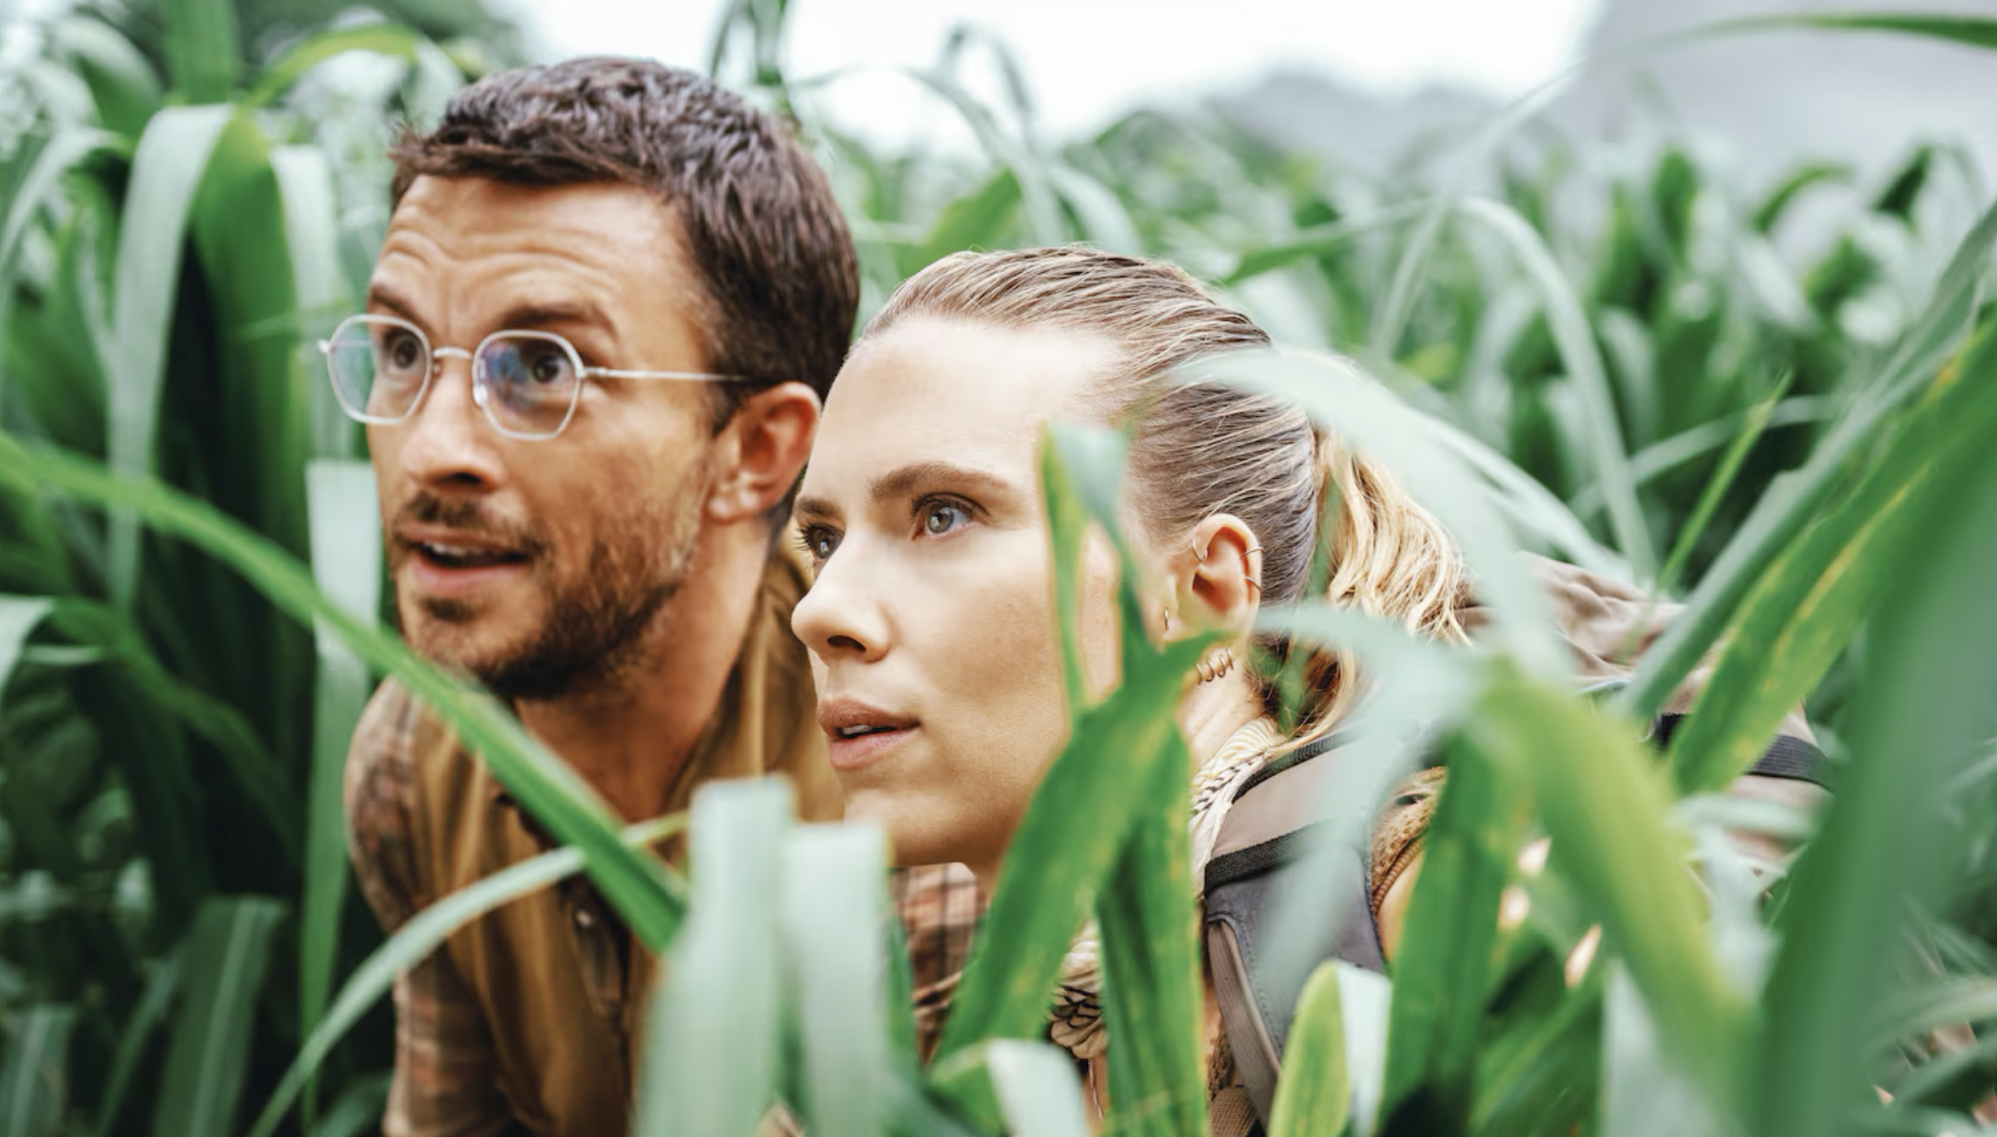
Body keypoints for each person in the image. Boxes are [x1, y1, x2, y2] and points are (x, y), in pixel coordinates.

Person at [788, 246, 1828, 1131]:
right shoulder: (980, 1005)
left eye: (942, 515)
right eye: (823, 538)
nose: (820, 609)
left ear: (1204, 596)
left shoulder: (1452, 903)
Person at [340, 57, 859, 1137]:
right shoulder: (411, 761)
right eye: (400, 351)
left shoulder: (907, 789)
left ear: (755, 453)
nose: (430, 450)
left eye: (540, 369)